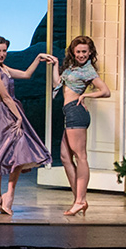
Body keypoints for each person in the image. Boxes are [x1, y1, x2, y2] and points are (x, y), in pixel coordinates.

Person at [0, 36, 54, 216]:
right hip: (1, 115)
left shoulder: (3, 68)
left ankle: (6, 196)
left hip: (11, 111)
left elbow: (26, 75)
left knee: (18, 153)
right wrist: (18, 116)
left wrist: (38, 58)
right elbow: (5, 96)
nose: (2, 54)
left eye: (4, 50)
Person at [53, 34, 110, 217]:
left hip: (76, 112)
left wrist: (85, 95)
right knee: (64, 157)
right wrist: (55, 64)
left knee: (80, 156)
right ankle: (78, 198)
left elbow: (105, 91)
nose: (81, 55)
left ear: (90, 52)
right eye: (78, 52)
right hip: (69, 112)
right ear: (73, 52)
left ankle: (80, 200)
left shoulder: (88, 70)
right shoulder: (72, 68)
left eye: (84, 52)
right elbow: (57, 84)